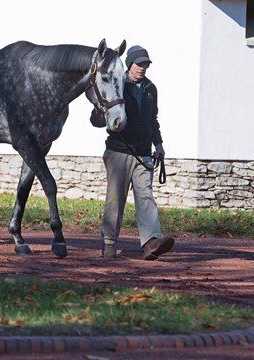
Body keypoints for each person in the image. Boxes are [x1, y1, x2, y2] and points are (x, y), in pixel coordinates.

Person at [91, 45, 175, 260]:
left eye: (145, 64)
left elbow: (152, 119)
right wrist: (100, 114)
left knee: (146, 196)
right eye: (139, 64)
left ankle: (150, 242)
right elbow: (96, 119)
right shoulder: (118, 84)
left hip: (144, 152)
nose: (142, 68)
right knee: (115, 199)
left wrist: (159, 144)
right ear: (129, 64)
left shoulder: (150, 88)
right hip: (119, 151)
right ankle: (109, 243)